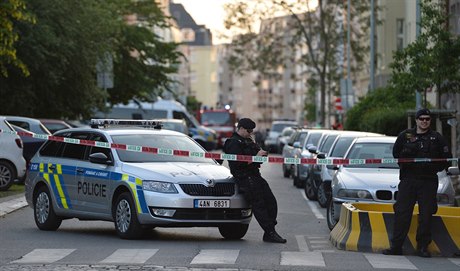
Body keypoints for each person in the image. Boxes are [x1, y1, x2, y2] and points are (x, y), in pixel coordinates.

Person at [383, 108, 451, 258]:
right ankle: (396, 246)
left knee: (426, 215)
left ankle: (422, 247)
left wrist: (433, 167)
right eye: (422, 119)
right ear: (416, 120)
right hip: (408, 180)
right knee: (402, 213)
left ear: (430, 121)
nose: (424, 121)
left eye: (427, 119)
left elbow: (446, 158)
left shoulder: (437, 138)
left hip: (428, 181)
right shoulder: (406, 135)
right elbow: (396, 154)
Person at [223, 118, 286, 243]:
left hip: (255, 175)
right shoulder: (233, 143)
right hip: (245, 177)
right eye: (248, 130)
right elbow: (237, 164)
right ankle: (270, 232)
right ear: (240, 128)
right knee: (259, 205)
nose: (250, 133)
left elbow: (256, 154)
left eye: (252, 131)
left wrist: (261, 154)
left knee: (271, 202)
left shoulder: (248, 140)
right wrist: (255, 158)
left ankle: (270, 228)